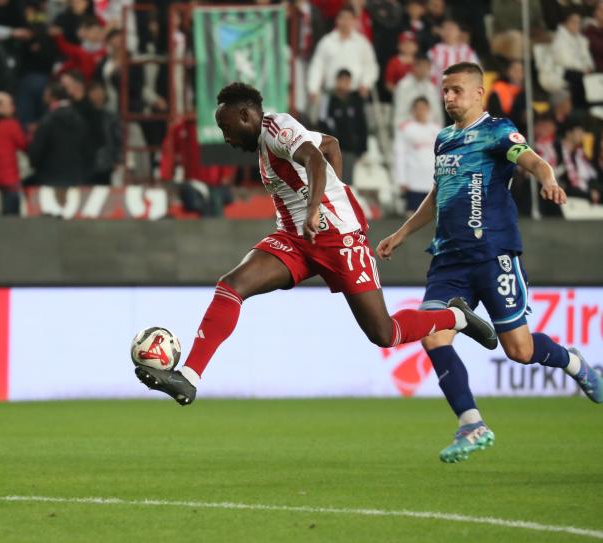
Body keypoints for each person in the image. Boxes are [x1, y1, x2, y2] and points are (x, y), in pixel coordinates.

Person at [135, 81, 498, 406]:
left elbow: (313, 159)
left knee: (384, 333)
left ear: (246, 115)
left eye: (226, 128)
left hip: (339, 239)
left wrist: (317, 208)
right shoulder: (269, 140)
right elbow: (329, 145)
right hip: (295, 239)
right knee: (231, 286)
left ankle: (456, 317)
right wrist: (329, 197)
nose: (226, 137)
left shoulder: (278, 128)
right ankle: (189, 378)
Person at [377, 62, 602, 463]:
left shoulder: (497, 131)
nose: (448, 97)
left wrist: (548, 179)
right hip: (448, 260)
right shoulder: (444, 139)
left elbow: (533, 160)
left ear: (479, 93)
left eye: (456, 90)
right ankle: (471, 423)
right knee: (432, 335)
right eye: (445, 90)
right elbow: (438, 193)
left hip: (492, 255)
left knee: (520, 350)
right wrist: (403, 233)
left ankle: (572, 361)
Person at [393, 96, 440, 215]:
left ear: (428, 109)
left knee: (433, 216)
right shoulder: (405, 128)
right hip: (413, 181)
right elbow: (400, 154)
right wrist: (401, 179)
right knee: (412, 216)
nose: (421, 111)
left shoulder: (437, 129)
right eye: (418, 108)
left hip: (432, 182)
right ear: (413, 110)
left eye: (423, 108)